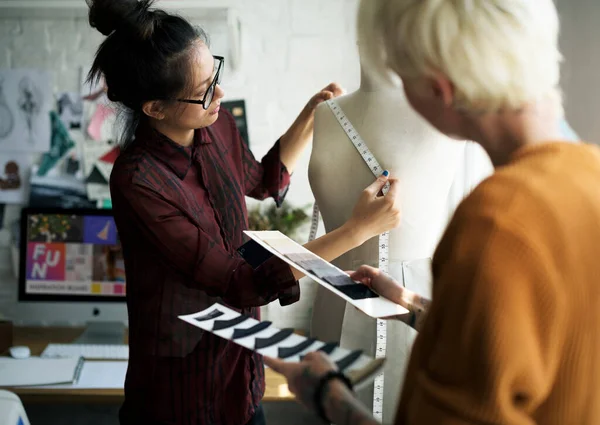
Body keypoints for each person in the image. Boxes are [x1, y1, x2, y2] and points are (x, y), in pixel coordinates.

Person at [266, 0, 600, 424]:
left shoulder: (496, 223)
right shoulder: (590, 176)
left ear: (438, 87)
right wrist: (415, 308)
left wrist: (328, 395)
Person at [86, 0, 402, 424]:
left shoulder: (214, 125)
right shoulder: (139, 181)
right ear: (155, 108)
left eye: (213, 74)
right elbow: (242, 282)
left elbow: (263, 179)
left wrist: (312, 115)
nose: (219, 93)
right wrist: (357, 230)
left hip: (242, 376)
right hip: (179, 394)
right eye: (202, 90)